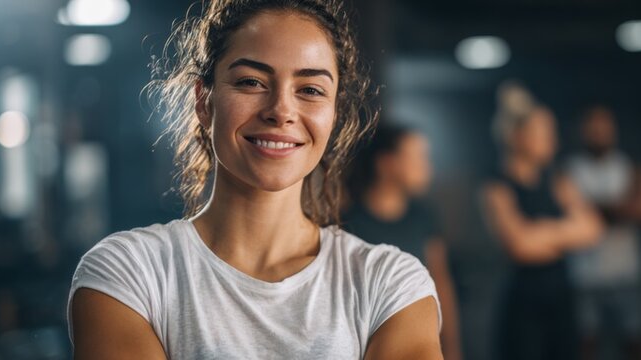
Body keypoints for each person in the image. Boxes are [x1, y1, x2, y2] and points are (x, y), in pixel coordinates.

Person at [67, 1, 443, 358]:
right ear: (204, 101)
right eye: (251, 82)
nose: (281, 110)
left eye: (310, 90)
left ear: (334, 113)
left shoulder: (391, 284)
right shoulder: (127, 273)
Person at [481, 82, 603, 360]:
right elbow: (520, 246)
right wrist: (566, 235)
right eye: (544, 132)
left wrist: (540, 232)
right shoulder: (497, 186)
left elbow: (593, 229)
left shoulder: (558, 180)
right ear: (517, 136)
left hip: (561, 301)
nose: (553, 140)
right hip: (523, 306)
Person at [343, 123, 464, 360]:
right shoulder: (347, 223)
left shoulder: (424, 218)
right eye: (418, 158)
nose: (427, 168)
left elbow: (441, 282)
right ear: (387, 163)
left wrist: (451, 346)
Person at [565, 105, 641, 360]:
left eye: (603, 128)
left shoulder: (629, 166)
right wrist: (619, 205)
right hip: (584, 276)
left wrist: (593, 207)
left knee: (636, 342)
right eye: (592, 129)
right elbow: (566, 210)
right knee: (586, 344)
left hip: (626, 274)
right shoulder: (569, 169)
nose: (598, 134)